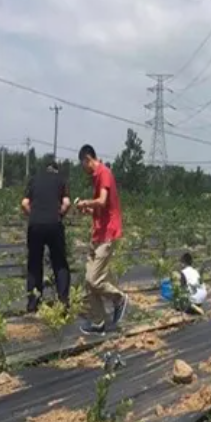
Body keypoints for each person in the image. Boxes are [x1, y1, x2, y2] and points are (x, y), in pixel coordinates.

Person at [76, 144, 128, 336]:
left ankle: (118, 298)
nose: (84, 170)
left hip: (107, 233)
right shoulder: (96, 177)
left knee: (94, 279)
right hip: (97, 233)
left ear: (88, 159)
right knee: (88, 282)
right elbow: (100, 208)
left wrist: (86, 202)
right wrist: (88, 210)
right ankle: (98, 323)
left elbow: (103, 201)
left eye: (84, 165)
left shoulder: (104, 173)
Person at [21, 161, 71, 313]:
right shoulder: (61, 180)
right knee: (59, 262)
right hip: (54, 224)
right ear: (56, 170)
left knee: (34, 262)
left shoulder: (34, 179)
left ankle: (33, 303)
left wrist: (35, 215)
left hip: (35, 225)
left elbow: (24, 203)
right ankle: (62, 301)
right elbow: (67, 203)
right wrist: (60, 214)